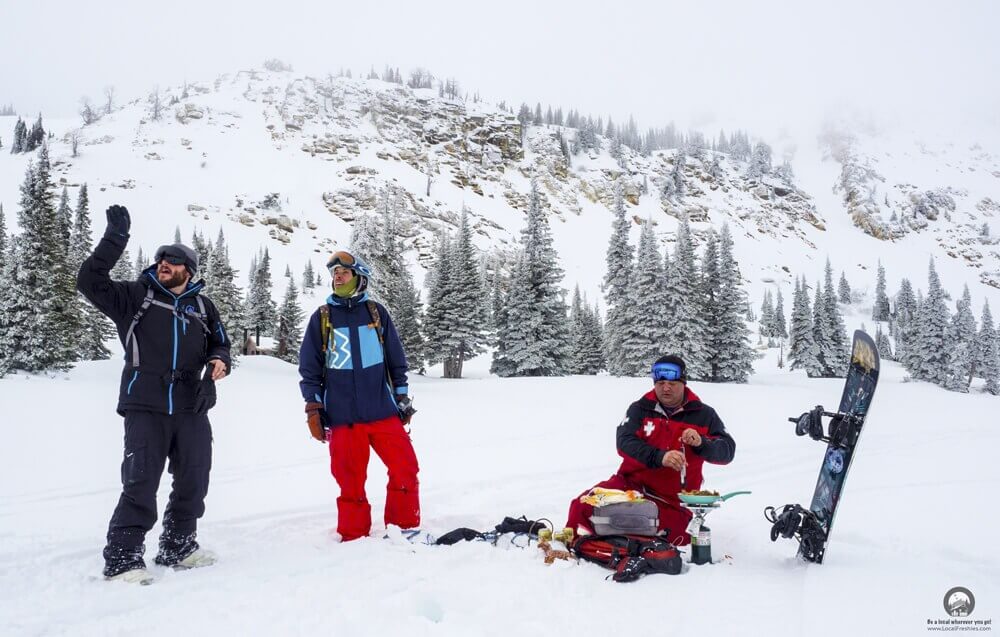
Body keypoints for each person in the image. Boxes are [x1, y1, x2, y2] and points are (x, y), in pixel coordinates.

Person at [77, 205, 232, 583]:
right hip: (144, 401)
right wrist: (115, 238)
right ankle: (124, 558)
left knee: (194, 478)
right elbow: (89, 280)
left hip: (191, 405)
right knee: (141, 480)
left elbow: (221, 344)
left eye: (174, 259)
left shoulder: (202, 306)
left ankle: (179, 546)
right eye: (162, 256)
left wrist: (217, 366)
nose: (165, 262)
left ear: (188, 270)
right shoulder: (135, 297)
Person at [298, 250, 419, 541]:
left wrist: (401, 396)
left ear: (359, 278)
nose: (337, 277)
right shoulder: (323, 318)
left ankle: (404, 529)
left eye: (344, 273)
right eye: (334, 274)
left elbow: (396, 360)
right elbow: (309, 367)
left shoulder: (376, 313)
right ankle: (354, 538)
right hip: (343, 417)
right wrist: (313, 406)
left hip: (382, 411)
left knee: (405, 468)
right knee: (350, 482)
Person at [565, 354, 735, 546]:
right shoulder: (640, 408)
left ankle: (618, 541)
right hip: (628, 487)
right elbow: (624, 442)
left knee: (671, 534)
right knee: (581, 506)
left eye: (672, 382)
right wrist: (659, 457)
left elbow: (727, 451)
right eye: (660, 382)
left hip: (673, 501)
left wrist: (702, 443)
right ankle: (588, 544)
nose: (666, 387)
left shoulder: (704, 415)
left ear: (684, 383)